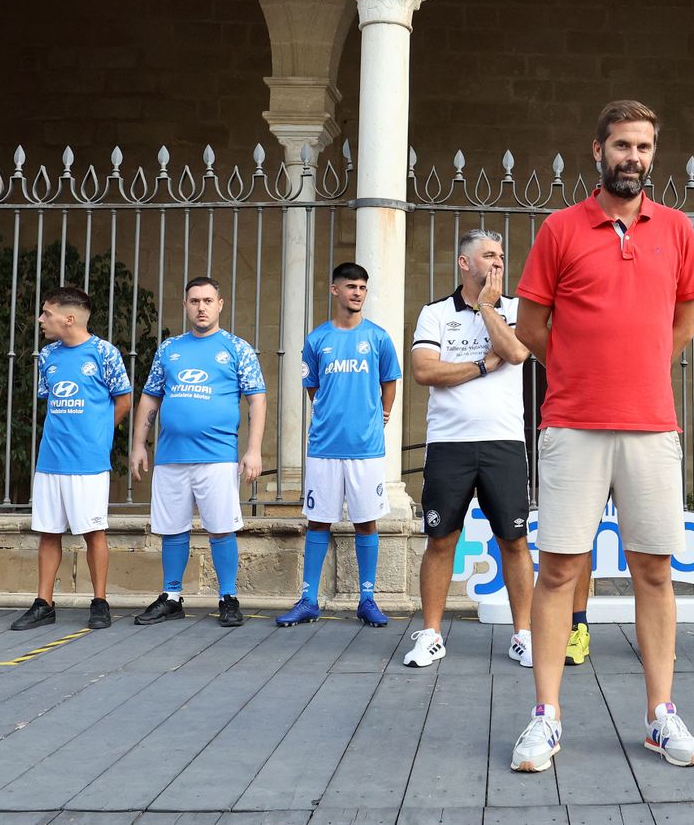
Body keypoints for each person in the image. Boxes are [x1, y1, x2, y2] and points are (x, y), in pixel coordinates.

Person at [508, 100, 694, 772]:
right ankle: (545, 717)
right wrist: (578, 366)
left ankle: (661, 715)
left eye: (644, 146)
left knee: (654, 570)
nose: (634, 156)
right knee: (560, 568)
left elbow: (685, 322)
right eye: (622, 144)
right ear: (597, 151)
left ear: (654, 154)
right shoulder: (561, 229)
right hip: (571, 422)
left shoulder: (677, 229)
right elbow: (532, 325)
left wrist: (639, 368)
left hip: (652, 424)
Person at [404, 230, 535, 667]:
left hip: (504, 443)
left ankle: (524, 634)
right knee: (441, 539)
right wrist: (481, 365)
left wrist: (486, 307)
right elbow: (424, 370)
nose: (498, 263)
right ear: (464, 263)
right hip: (449, 445)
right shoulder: (435, 313)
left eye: (501, 255)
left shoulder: (514, 308)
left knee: (514, 540)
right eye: (488, 256)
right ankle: (430, 635)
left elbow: (515, 351)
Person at [130, 276, 266, 628]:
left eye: (208, 300)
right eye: (194, 301)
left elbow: (257, 399)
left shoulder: (238, 348)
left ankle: (228, 596)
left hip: (218, 456)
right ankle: (172, 596)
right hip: (172, 456)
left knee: (221, 528)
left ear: (220, 304)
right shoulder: (169, 348)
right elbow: (151, 396)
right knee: (172, 528)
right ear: (186, 305)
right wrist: (138, 445)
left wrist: (253, 450)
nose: (201, 307)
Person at [277, 262, 402, 628]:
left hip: (365, 448)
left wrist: (384, 412)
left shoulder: (378, 337)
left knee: (367, 522)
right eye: (350, 286)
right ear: (334, 290)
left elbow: (390, 380)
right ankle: (308, 599)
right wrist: (331, 413)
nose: (357, 293)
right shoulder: (317, 340)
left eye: (362, 287)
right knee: (318, 522)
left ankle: (367, 598)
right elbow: (312, 388)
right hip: (324, 447)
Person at [11, 286, 132, 631]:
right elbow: (49, 401)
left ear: (69, 317)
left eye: (46, 313)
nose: (41, 320)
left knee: (94, 531)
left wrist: (98, 437)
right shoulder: (48, 355)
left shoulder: (104, 353)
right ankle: (44, 603)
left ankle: (100, 602)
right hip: (51, 460)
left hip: (88, 462)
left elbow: (123, 400)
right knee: (48, 532)